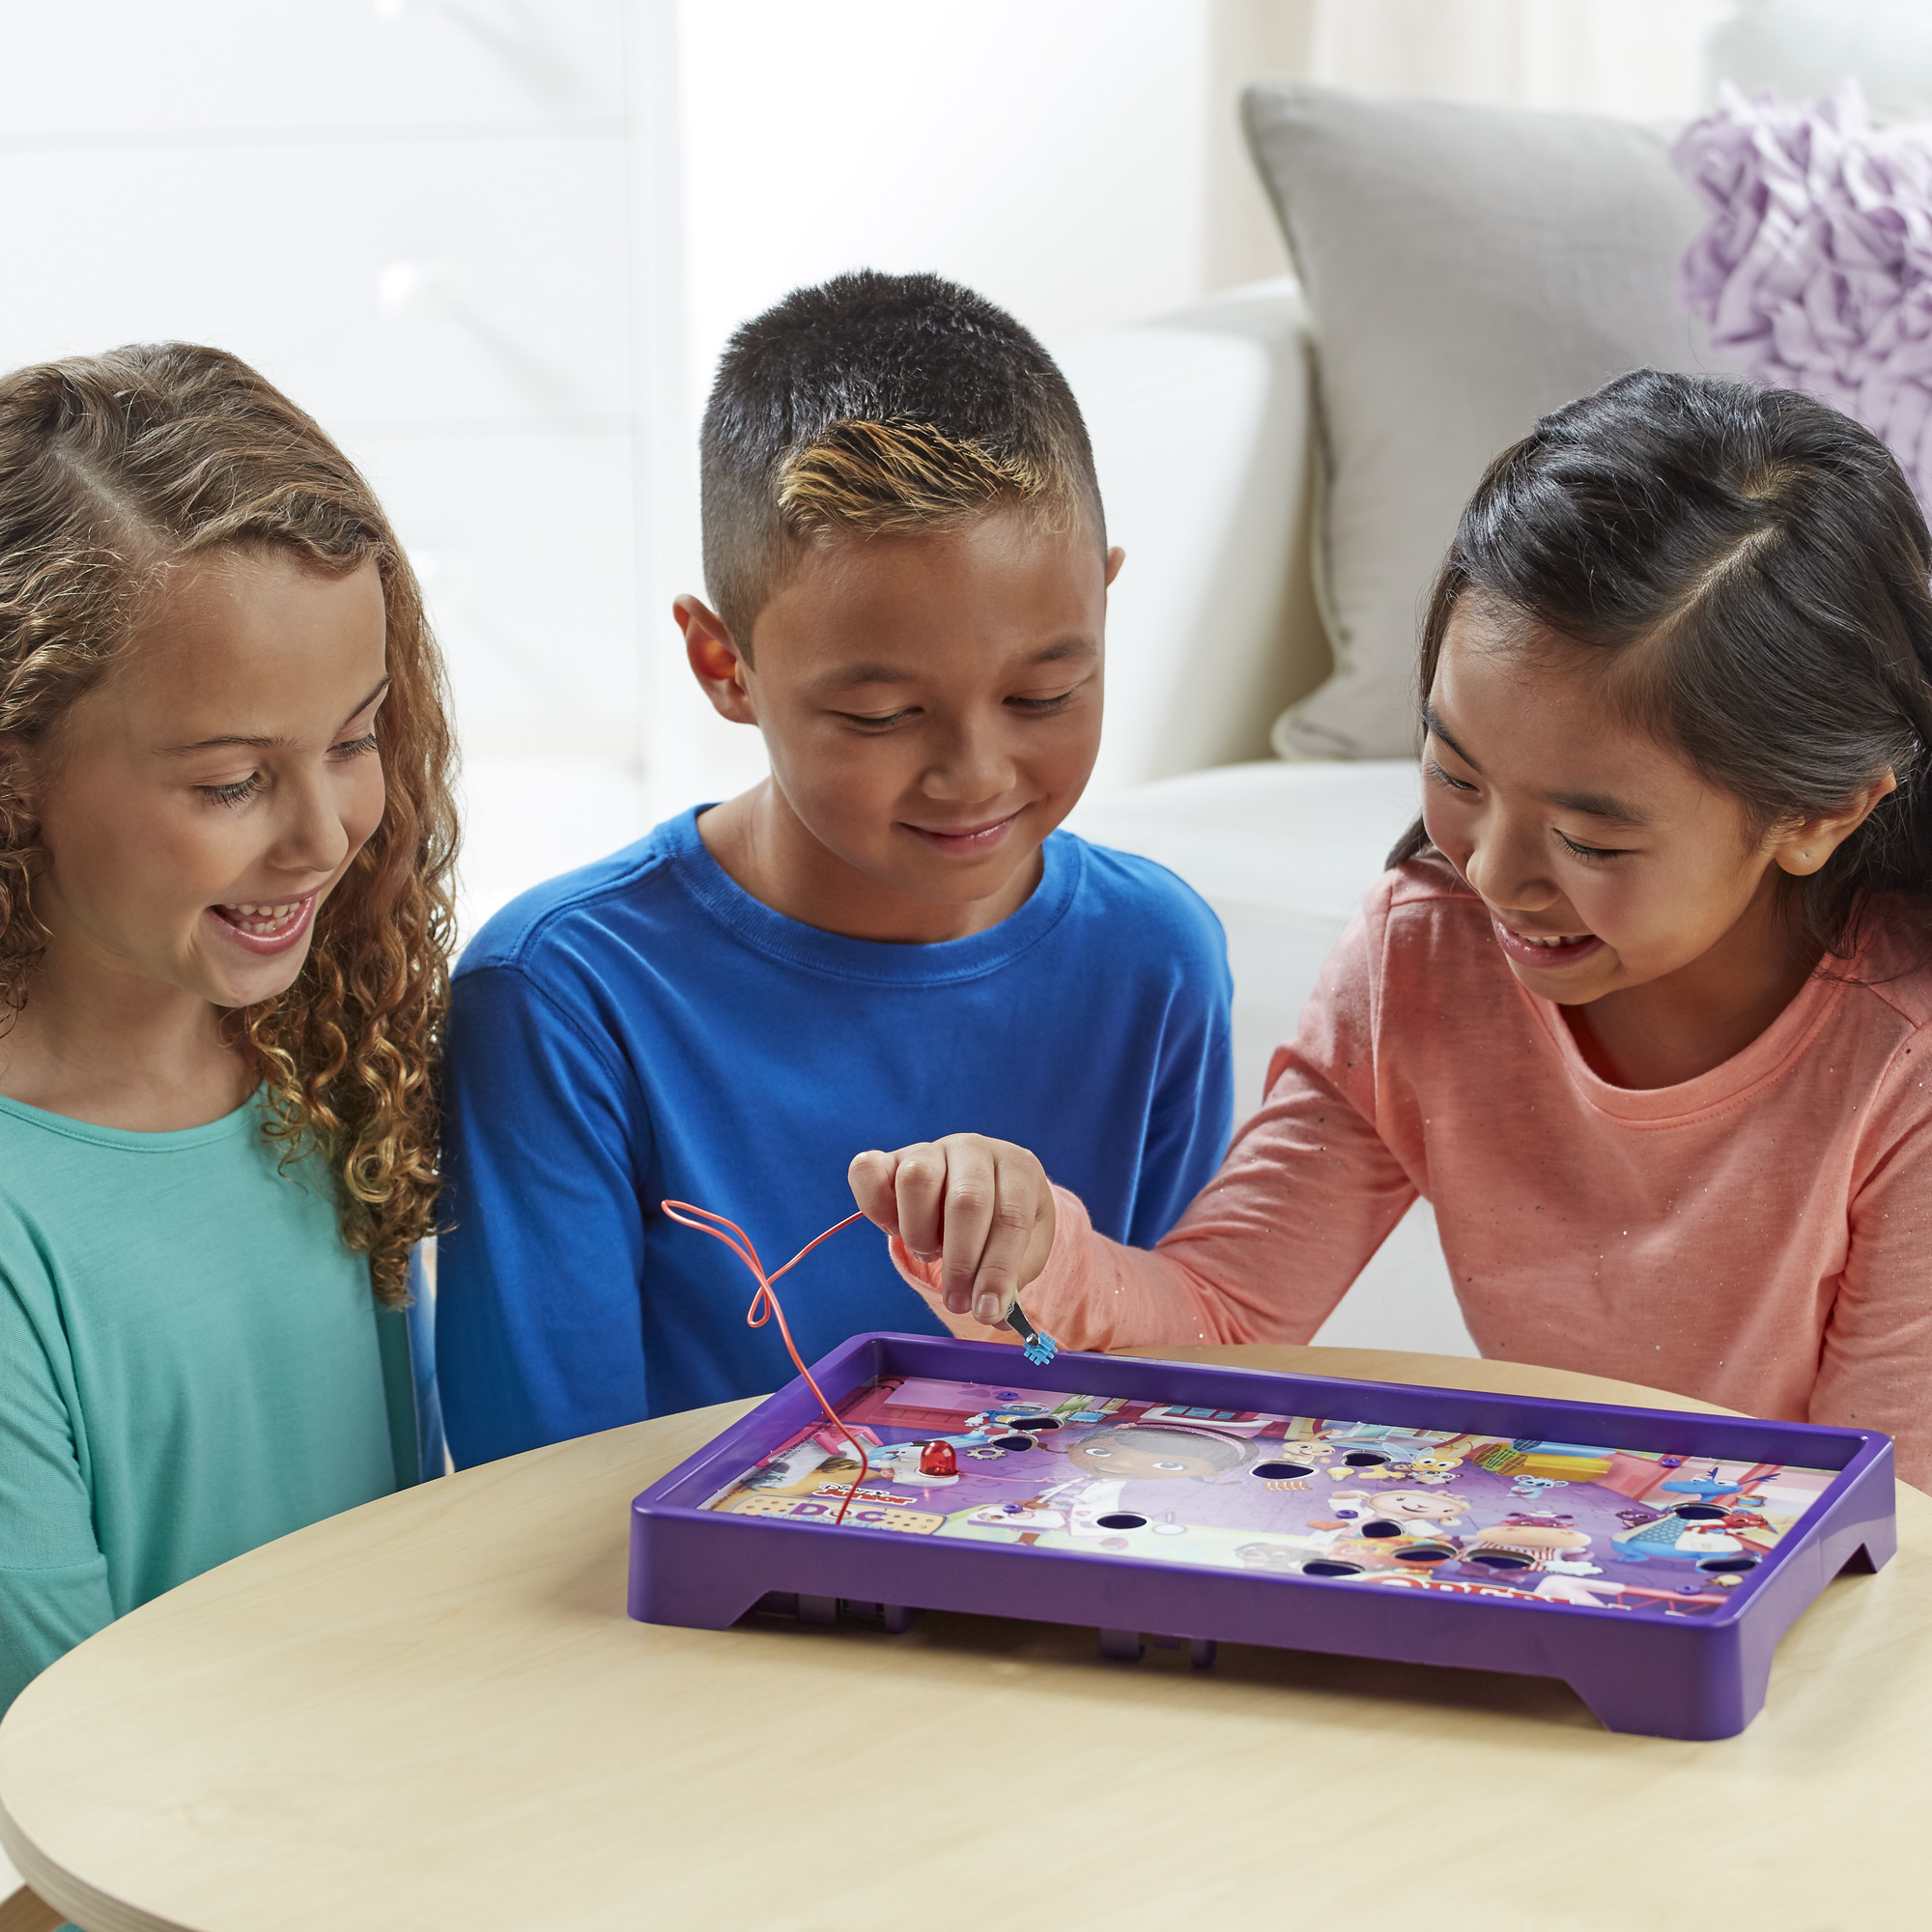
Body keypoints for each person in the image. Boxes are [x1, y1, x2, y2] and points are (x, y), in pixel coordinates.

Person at [851, 370, 1932, 1490]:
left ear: (1818, 813)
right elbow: (1221, 1318)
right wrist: (1036, 1252)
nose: (1493, 874)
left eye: (1590, 840)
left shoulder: (1902, 1059)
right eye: (1455, 773)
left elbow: (1890, 1529)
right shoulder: (1427, 956)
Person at [436, 270, 1233, 1461]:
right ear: (723, 664)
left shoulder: (1155, 957)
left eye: (1043, 693)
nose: (974, 772)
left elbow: (1173, 1400)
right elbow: (535, 1491)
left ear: (1103, 607)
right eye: (879, 715)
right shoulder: (560, 993)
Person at [0, 345, 457, 1717]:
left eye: (356, 739)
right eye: (232, 782)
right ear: (14, 769)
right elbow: (54, 1789)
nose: (323, 837)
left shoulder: (321, 1064)